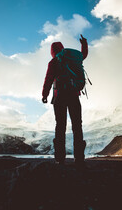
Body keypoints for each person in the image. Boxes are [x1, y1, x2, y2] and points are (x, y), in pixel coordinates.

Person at [42, 34, 88, 165]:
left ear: (52, 52)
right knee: (77, 126)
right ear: (62, 49)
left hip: (59, 97)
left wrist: (44, 95)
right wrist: (84, 44)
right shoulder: (72, 59)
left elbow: (48, 80)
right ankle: (79, 158)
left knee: (60, 126)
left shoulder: (53, 62)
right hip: (74, 95)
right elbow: (83, 56)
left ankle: (59, 158)